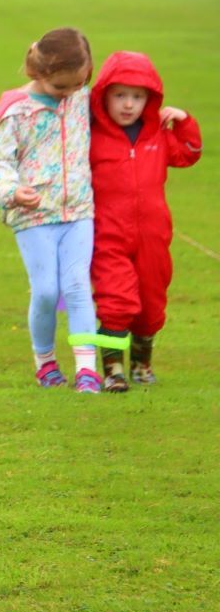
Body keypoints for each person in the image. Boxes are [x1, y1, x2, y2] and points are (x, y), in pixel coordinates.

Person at [0, 27, 102, 393]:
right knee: (47, 290)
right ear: (40, 73)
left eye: (77, 85)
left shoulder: (81, 98)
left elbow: (120, 102)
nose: (69, 94)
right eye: (61, 88)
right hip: (33, 216)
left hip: (78, 210)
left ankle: (87, 370)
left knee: (79, 285)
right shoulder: (17, 112)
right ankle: (45, 362)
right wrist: (11, 190)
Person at [88, 51, 203, 392]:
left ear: (150, 100)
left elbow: (189, 153)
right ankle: (113, 369)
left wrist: (183, 121)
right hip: (109, 236)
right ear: (103, 96)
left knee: (151, 305)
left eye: (137, 97)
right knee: (115, 299)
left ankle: (142, 362)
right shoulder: (92, 137)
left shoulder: (159, 135)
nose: (128, 105)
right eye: (120, 95)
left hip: (154, 237)